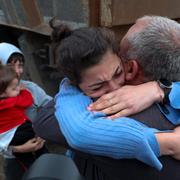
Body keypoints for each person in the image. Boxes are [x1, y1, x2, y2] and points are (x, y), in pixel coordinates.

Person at [34, 16, 180, 180]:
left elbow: (48, 123)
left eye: (118, 72)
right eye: (98, 86)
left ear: (131, 66)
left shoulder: (107, 119)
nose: (114, 89)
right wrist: (162, 88)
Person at [0, 42, 52, 180]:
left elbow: (51, 106)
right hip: (15, 158)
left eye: (21, 65)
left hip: (40, 147)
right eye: (10, 66)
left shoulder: (31, 88)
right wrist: (18, 149)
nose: (18, 71)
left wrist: (44, 132)